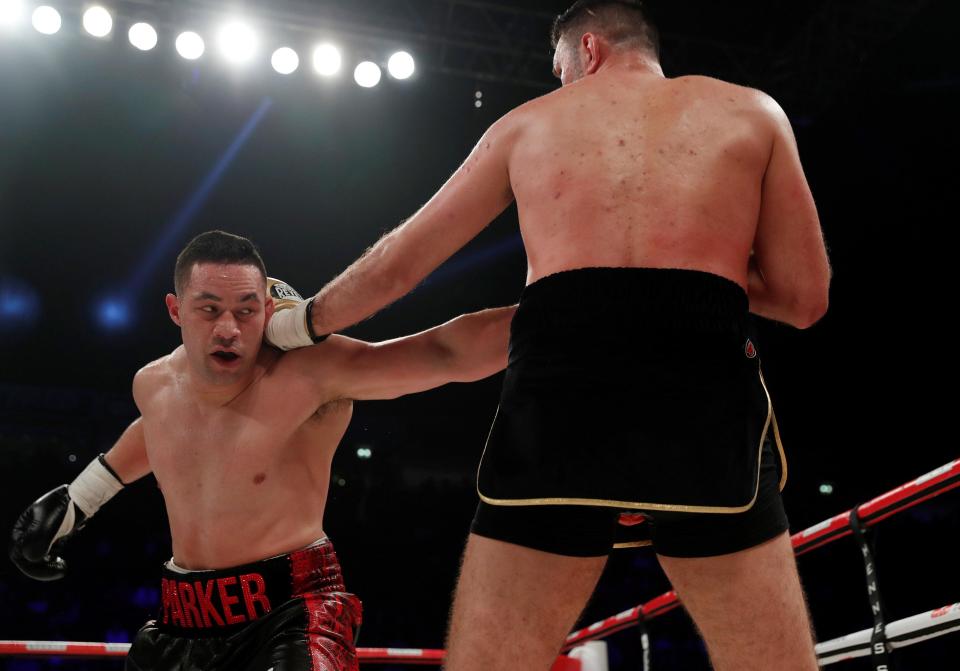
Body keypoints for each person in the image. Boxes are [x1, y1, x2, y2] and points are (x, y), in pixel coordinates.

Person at [264, 1, 831, 669]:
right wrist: (710, 269)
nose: (557, 81)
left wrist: (303, 322)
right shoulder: (753, 112)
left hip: (561, 383)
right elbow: (803, 298)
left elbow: (402, 261)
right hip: (705, 390)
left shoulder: (529, 123)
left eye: (558, 66)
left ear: (587, 49)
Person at [9, 230, 514, 671]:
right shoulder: (155, 385)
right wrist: (81, 498)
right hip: (181, 618)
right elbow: (167, 433)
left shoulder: (312, 372)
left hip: (293, 612)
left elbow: (442, 353)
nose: (228, 329)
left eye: (246, 311)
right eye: (209, 309)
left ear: (268, 311)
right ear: (175, 309)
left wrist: (559, 315)